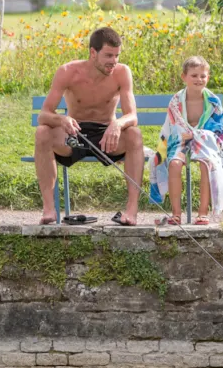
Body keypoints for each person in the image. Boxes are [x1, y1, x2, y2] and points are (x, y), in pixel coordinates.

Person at [34, 27, 144, 226]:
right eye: (108, 55)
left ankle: (131, 211)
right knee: (42, 133)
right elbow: (44, 114)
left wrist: (117, 124)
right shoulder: (67, 72)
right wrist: (62, 120)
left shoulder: (122, 73)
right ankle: (49, 209)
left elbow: (132, 116)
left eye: (117, 55)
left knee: (134, 134)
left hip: (106, 134)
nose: (114, 61)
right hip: (74, 133)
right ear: (93, 53)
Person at [147, 56, 223, 226]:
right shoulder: (176, 100)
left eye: (203, 75)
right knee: (174, 164)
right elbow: (173, 125)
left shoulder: (213, 102)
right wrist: (186, 135)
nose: (199, 79)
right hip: (181, 139)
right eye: (194, 75)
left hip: (205, 141)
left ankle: (203, 213)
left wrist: (197, 135)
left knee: (206, 164)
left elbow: (218, 131)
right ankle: (176, 213)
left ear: (208, 77)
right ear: (184, 77)